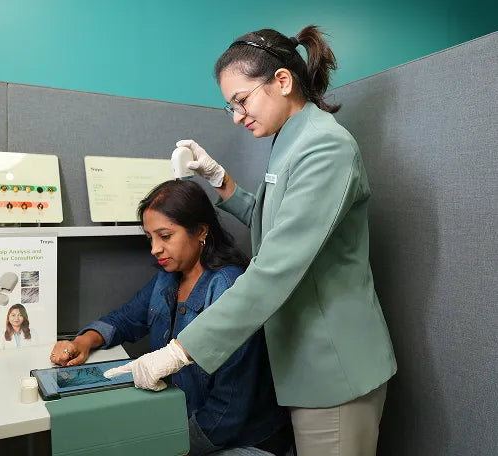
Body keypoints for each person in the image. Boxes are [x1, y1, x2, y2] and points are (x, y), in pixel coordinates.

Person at [104, 26, 397, 456]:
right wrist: (219, 179)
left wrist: (180, 351)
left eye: (241, 100)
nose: (237, 116)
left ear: (282, 81)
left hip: (333, 364)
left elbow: (275, 268)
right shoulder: (291, 139)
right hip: (303, 358)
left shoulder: (325, 147)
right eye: (231, 106)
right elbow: (273, 221)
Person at [50, 180, 293, 456]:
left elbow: (229, 408)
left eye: (165, 236)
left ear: (201, 231)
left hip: (236, 439)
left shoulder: (229, 287)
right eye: (150, 238)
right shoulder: (168, 278)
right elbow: (126, 318)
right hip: (183, 422)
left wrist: (170, 444)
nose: (155, 249)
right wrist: (83, 341)